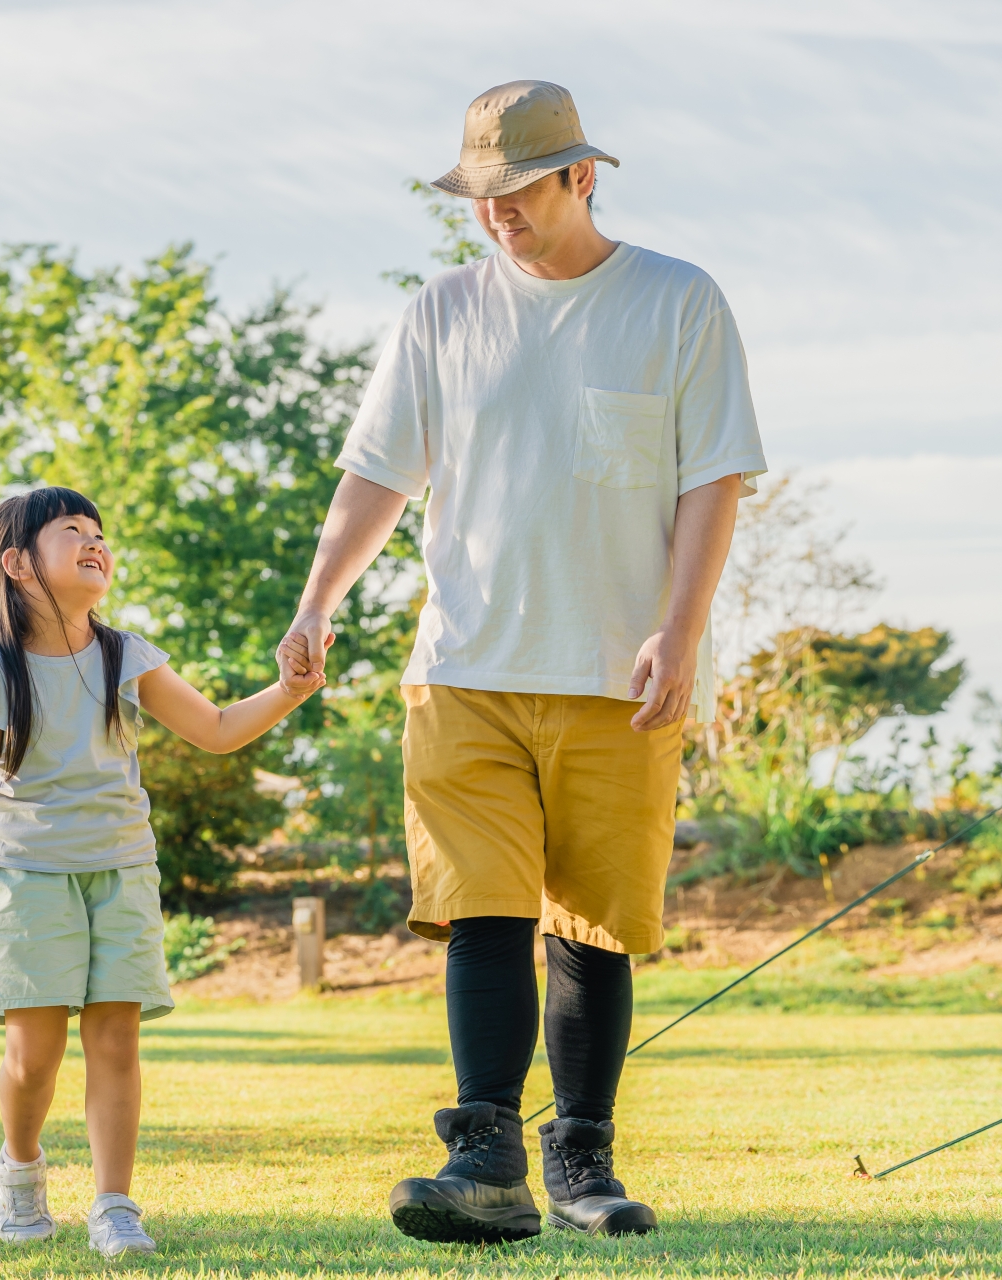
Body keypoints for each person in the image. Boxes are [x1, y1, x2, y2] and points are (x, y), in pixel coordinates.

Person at [279, 81, 766, 1243]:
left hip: (617, 669)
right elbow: (379, 479)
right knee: (482, 911)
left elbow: (715, 479)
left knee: (594, 924)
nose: (493, 213)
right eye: (476, 195)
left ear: (581, 176)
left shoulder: (678, 302)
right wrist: (317, 600)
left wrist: (681, 630)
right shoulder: (440, 313)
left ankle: (583, 1159)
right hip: (465, 667)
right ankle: (485, 1151)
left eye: (515, 191)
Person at [0, 487, 319, 1257]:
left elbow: (216, 730)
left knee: (116, 1039)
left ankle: (113, 1205)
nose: (95, 542)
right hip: (28, 879)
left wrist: (288, 691)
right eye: (72, 531)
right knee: (35, 1052)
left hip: (122, 871)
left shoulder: (129, 656)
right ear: (19, 564)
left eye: (98, 531)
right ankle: (20, 1169)